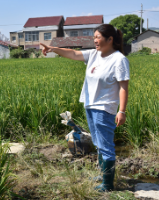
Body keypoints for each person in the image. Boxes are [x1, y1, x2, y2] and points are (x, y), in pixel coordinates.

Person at [40, 24, 129, 192]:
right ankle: (104, 175)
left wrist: (122, 111)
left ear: (110, 39)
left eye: (98, 37)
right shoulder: (94, 55)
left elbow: (123, 87)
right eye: (94, 37)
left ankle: (107, 185)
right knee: (97, 142)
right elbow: (73, 53)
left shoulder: (118, 59)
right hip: (90, 105)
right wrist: (53, 49)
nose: (95, 40)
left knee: (105, 145)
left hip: (104, 108)